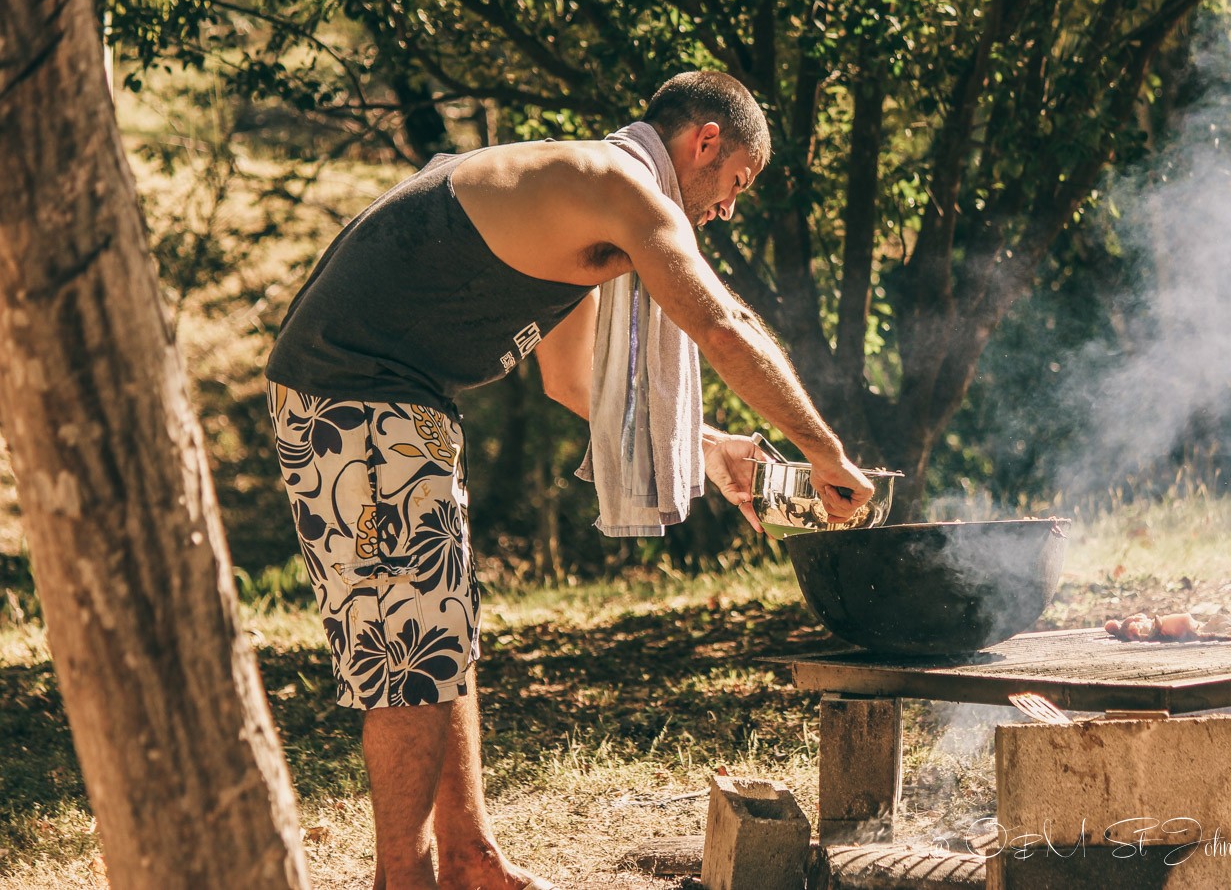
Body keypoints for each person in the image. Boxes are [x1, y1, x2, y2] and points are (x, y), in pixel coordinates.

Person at [264, 70, 874, 890]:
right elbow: (722, 325)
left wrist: (714, 445)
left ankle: (470, 857)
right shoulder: (620, 187)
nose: (727, 209)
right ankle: (400, 878)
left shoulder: (585, 200)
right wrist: (824, 449)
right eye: (735, 184)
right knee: (412, 650)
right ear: (704, 142)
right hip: (353, 388)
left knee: (440, 626)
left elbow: (574, 379)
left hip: (395, 394)